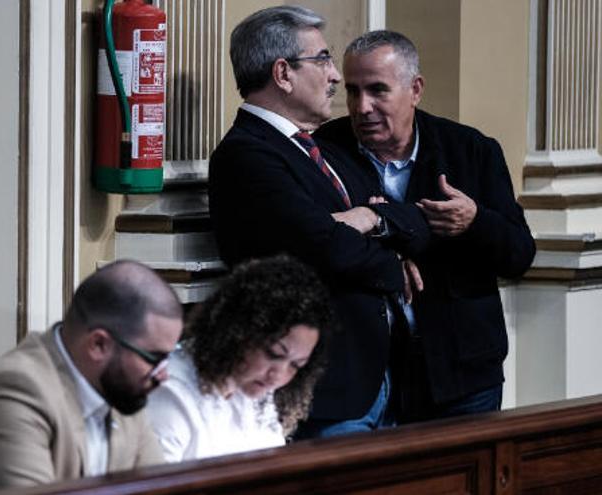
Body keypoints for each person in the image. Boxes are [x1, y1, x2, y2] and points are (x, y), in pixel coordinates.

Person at [209, 6, 429, 438]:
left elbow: (414, 220)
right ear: (283, 73)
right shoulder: (248, 156)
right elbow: (327, 248)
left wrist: (370, 217)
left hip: (381, 381)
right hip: (323, 389)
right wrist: (389, 261)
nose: (333, 75)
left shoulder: (325, 149)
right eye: (323, 59)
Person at [314, 30, 535, 422]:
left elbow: (519, 255)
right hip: (367, 374)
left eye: (378, 90)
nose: (362, 107)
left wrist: (475, 221)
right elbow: (318, 240)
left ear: (415, 90)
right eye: (352, 91)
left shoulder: (471, 150)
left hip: (463, 371)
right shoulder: (326, 150)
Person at [0, 260, 182, 494]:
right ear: (98, 345)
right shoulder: (14, 391)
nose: (164, 374)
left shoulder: (123, 391)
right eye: (154, 358)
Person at [147, 256, 333, 461]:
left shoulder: (256, 391)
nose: (278, 376)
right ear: (238, 331)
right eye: (274, 354)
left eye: (296, 365)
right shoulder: (170, 393)